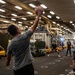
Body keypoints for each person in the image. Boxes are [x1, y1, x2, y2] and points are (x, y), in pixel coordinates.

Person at [6, 6, 43, 75]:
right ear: (17, 30)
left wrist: (8, 63)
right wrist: (38, 15)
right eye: (18, 28)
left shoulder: (10, 44)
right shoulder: (25, 36)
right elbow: (34, 25)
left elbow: (8, 58)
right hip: (27, 67)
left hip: (17, 69)